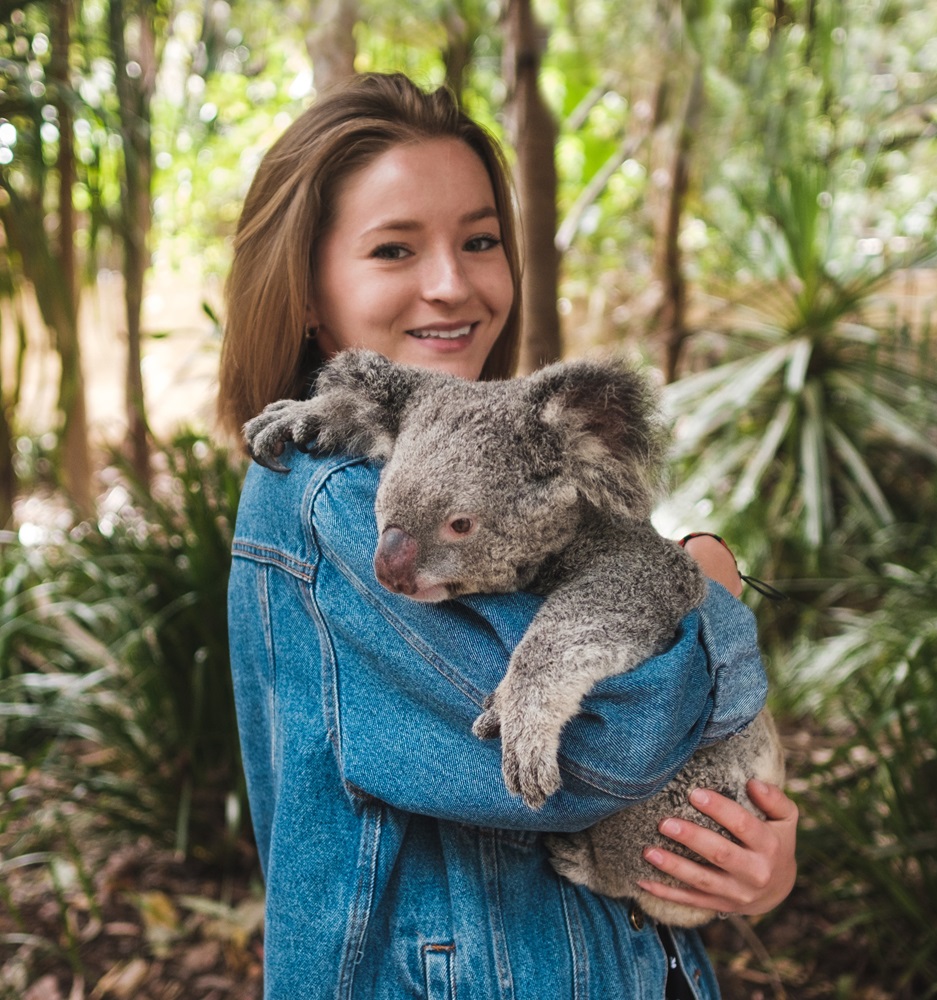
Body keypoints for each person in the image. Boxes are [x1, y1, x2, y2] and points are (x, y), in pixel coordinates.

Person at [217, 72, 797, 1000]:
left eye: (480, 240)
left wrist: (745, 855)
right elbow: (617, 745)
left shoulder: (512, 451)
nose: (450, 284)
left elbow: (683, 752)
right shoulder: (328, 502)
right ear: (309, 291)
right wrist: (710, 587)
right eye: (394, 249)